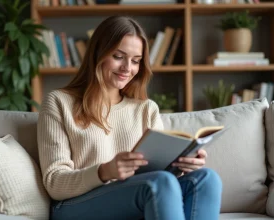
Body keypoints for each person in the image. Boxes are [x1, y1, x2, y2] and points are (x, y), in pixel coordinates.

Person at [37, 16, 222, 220]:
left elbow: (163, 176)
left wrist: (184, 166)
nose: (128, 68)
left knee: (207, 178)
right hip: (75, 204)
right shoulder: (59, 102)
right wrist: (104, 171)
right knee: (158, 183)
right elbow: (54, 183)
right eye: (118, 56)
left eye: (135, 61)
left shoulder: (146, 109)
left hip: (137, 196)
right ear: (98, 53)